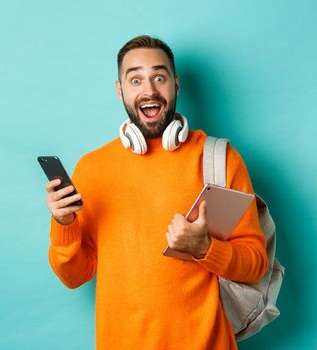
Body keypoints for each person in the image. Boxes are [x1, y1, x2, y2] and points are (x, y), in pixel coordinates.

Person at [44, 35, 268, 349]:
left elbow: (256, 263)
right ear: (120, 90)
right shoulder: (92, 168)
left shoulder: (219, 159)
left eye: (159, 77)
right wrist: (64, 224)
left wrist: (204, 247)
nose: (148, 90)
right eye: (135, 79)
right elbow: (74, 276)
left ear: (175, 84)